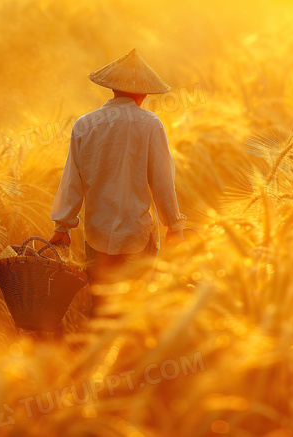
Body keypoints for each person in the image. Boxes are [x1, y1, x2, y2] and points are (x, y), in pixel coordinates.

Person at [49, 49, 187, 317]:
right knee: (134, 311)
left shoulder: (84, 125)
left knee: (101, 307)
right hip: (136, 234)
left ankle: (97, 355)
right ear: (144, 93)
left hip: (97, 236)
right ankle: (130, 357)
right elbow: (162, 181)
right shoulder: (150, 124)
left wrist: (62, 225)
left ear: (111, 88)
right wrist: (173, 225)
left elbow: (72, 180)